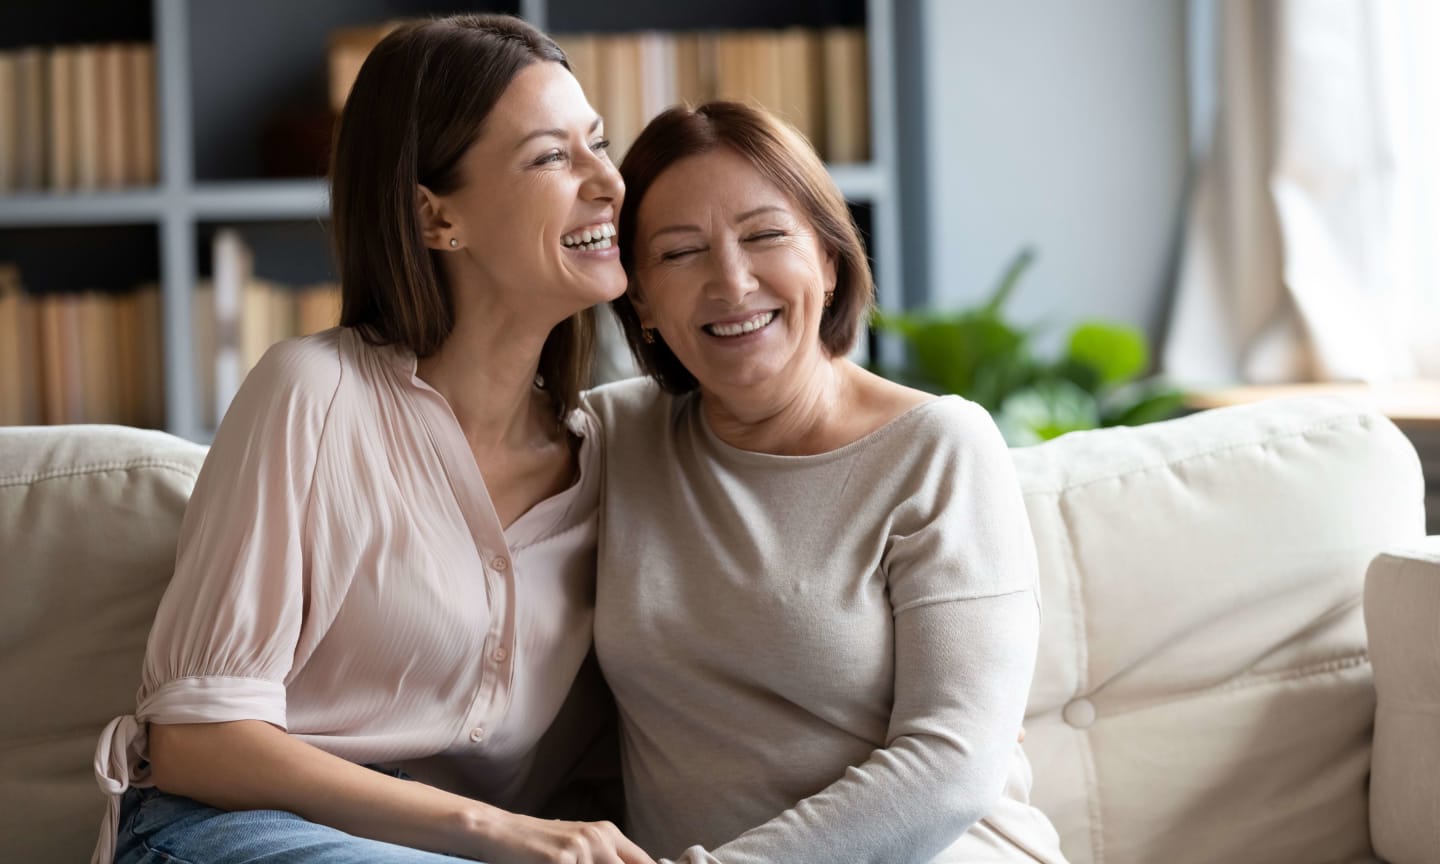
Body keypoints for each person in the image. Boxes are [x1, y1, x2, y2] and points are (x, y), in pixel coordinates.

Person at [90, 15, 654, 864]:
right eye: (551, 156)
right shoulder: (313, 395)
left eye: (598, 144)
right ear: (435, 219)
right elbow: (196, 741)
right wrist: (488, 830)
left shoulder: (611, 460)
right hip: (233, 831)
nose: (609, 183)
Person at [583, 101, 1070, 864]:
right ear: (639, 299)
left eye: (766, 235)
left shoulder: (940, 448)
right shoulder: (613, 441)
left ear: (831, 258)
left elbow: (953, 764)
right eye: (680, 253)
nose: (732, 281)